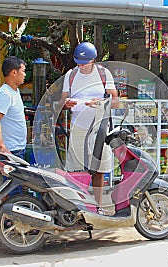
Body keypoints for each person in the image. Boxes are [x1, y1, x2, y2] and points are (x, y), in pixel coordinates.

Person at [59, 42, 119, 210]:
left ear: (93, 60)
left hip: (99, 126)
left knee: (98, 168)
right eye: (79, 62)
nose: (81, 66)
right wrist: (66, 103)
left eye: (84, 63)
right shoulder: (70, 75)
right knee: (78, 167)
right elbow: (62, 100)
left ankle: (98, 205)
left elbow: (115, 101)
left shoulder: (103, 74)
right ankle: (80, 204)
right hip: (78, 125)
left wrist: (100, 102)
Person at [0, 56, 27, 187]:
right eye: (23, 71)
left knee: (16, 186)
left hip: (18, 148)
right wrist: (2, 147)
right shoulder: (5, 94)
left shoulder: (15, 92)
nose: (25, 74)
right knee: (12, 187)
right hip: (11, 150)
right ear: (14, 72)